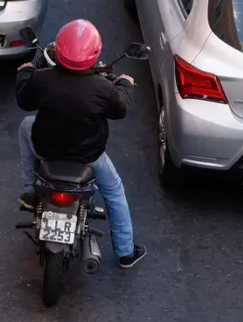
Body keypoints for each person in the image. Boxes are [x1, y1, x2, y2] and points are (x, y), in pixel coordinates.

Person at [16, 19, 146, 268]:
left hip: (47, 150)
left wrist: (25, 71)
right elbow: (120, 109)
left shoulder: (42, 79)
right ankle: (126, 251)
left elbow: (24, 99)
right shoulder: (102, 87)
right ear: (94, 52)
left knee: (25, 125)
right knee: (114, 191)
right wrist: (125, 83)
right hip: (89, 156)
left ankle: (31, 191)